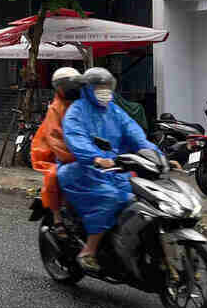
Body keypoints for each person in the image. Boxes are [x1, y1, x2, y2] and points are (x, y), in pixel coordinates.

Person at [57, 67, 160, 272]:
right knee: (110, 198)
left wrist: (157, 155)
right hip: (82, 170)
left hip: (115, 168)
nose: (104, 91)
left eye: (107, 86)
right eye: (99, 87)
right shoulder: (77, 111)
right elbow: (76, 138)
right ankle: (89, 250)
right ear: (88, 89)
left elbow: (135, 134)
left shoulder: (115, 111)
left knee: (140, 201)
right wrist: (95, 157)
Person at [30, 67, 81, 225]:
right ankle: (57, 217)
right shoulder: (56, 109)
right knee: (54, 176)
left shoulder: (85, 103)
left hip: (89, 152)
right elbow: (56, 139)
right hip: (62, 155)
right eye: (66, 85)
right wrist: (76, 155)